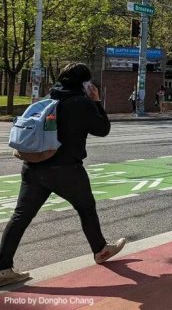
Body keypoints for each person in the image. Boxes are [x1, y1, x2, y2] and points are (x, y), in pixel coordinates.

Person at [0, 63, 126, 287]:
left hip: (34, 167)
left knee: (20, 217)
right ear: (85, 83)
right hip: (66, 170)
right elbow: (103, 129)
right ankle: (100, 250)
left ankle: (2, 269)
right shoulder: (81, 103)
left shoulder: (49, 97)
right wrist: (96, 100)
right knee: (86, 208)